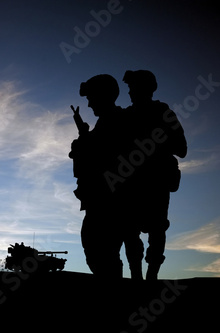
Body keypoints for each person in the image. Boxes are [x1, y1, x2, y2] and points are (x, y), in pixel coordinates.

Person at [122, 70, 187, 280]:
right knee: (130, 231)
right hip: (131, 184)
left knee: (157, 230)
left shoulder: (162, 112)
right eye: (129, 88)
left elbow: (182, 148)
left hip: (157, 183)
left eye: (133, 88)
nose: (130, 92)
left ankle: (151, 278)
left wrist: (154, 144)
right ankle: (136, 278)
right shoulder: (127, 116)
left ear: (146, 89)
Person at [69, 74, 129, 279]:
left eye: (91, 98)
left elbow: (102, 153)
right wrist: (82, 131)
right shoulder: (106, 122)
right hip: (101, 199)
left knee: (101, 250)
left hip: (110, 200)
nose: (89, 103)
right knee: (98, 250)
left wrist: (83, 142)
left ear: (104, 96)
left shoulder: (116, 121)